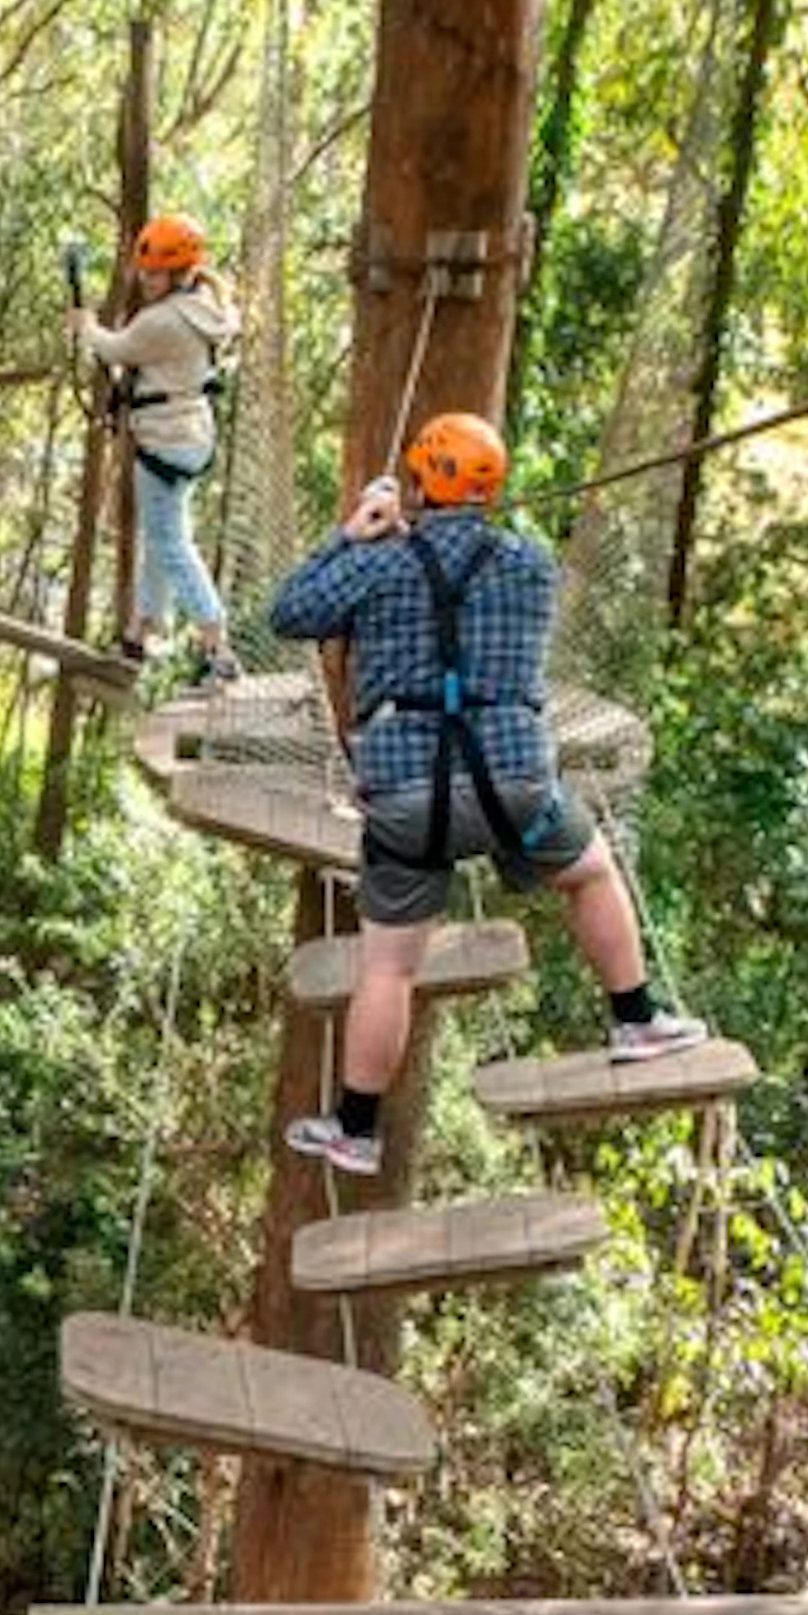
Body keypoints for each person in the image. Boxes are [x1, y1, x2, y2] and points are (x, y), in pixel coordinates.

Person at [268, 410, 706, 1178]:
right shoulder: (532, 566)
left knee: (388, 968)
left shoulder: (379, 563)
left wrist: (355, 533)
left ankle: (356, 1130)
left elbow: (289, 613)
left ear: (418, 482)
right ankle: (635, 1019)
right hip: (513, 783)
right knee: (592, 871)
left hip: (406, 796)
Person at [72, 213, 243, 689]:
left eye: (154, 274)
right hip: (188, 435)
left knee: (169, 542)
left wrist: (85, 325)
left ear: (178, 273)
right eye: (144, 272)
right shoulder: (203, 305)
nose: (146, 281)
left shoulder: (167, 321)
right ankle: (141, 630)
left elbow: (114, 348)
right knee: (163, 532)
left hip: (165, 441)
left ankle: (217, 644)